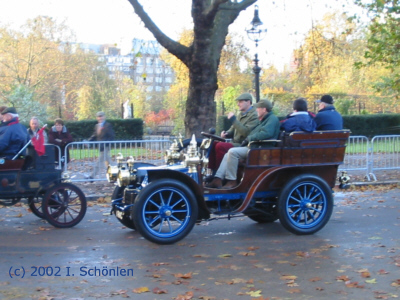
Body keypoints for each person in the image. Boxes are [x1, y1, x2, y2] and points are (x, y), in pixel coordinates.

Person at [206, 99, 280, 189]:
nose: (256, 110)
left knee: (232, 152)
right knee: (228, 154)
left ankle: (231, 181)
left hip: (261, 149)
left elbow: (266, 133)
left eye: (258, 108)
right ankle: (217, 179)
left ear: (264, 109)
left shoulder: (272, 119)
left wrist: (249, 138)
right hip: (256, 147)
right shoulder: (265, 120)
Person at [208, 93, 259, 173]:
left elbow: (246, 132)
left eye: (240, 102)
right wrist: (226, 133)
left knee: (220, 146)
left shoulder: (254, 115)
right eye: (238, 102)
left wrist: (233, 119)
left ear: (248, 102)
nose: (238, 104)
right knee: (213, 144)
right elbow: (233, 129)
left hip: (244, 145)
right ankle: (212, 173)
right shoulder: (240, 114)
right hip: (235, 143)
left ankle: (220, 175)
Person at [88, 111, 115, 179]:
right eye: (99, 116)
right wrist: (88, 141)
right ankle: (115, 174)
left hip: (106, 147)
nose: (100, 118)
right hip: (100, 147)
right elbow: (94, 135)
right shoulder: (97, 126)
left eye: (101, 116)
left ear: (104, 117)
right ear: (97, 118)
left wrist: (106, 143)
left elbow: (111, 136)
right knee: (109, 163)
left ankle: (92, 176)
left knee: (99, 161)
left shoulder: (107, 125)